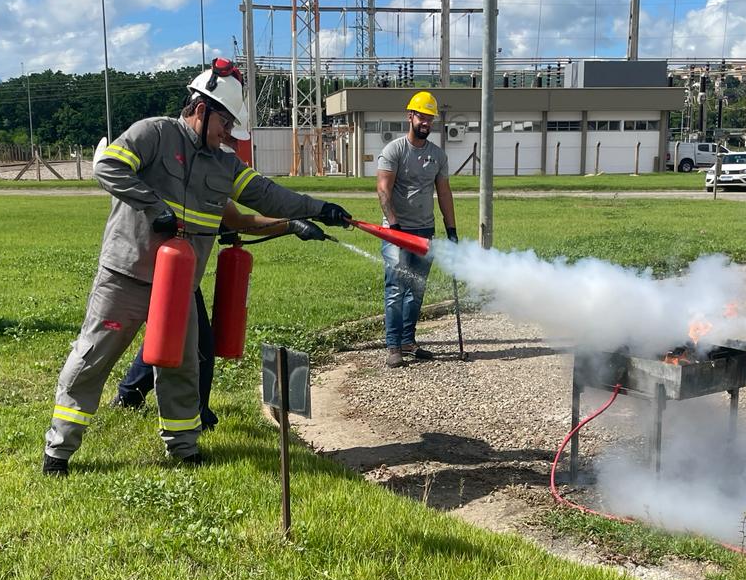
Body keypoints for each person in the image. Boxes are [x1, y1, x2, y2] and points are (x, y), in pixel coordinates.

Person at [42, 58, 351, 475]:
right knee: (93, 357)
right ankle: (59, 451)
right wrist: (155, 208)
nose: (229, 135)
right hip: (126, 276)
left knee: (182, 366)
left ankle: (184, 448)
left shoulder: (222, 164)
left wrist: (319, 209)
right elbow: (107, 166)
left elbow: (266, 195)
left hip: (179, 285)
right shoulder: (154, 133)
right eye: (225, 123)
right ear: (202, 109)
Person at [111, 204, 330, 416]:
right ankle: (194, 415)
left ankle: (129, 397)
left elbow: (236, 220)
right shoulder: (191, 175)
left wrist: (292, 225)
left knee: (173, 334)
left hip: (173, 266)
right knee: (196, 344)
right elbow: (236, 219)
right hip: (161, 266)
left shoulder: (205, 176)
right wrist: (291, 225)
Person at [375, 90, 459, 368]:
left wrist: (451, 229)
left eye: (430, 118)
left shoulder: (437, 155)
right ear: (410, 115)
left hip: (425, 231)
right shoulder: (394, 150)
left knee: (416, 289)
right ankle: (393, 345)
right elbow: (383, 189)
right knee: (396, 289)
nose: (426, 122)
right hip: (396, 232)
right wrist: (395, 226)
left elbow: (444, 193)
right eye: (421, 116)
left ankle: (409, 341)